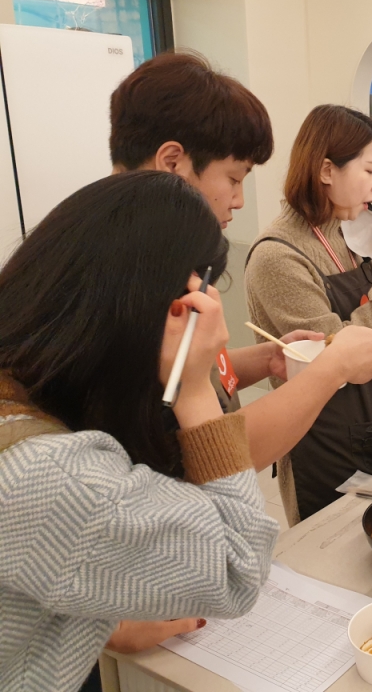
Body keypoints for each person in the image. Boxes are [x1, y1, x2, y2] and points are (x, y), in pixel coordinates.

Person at [0, 172, 278, 692]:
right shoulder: (57, 475)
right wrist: (194, 389)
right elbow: (238, 568)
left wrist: (99, 619)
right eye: (234, 175)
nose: (238, 199)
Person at [109, 50, 372, 472]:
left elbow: (192, 381)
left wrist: (263, 361)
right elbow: (204, 456)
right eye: (234, 179)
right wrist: (330, 368)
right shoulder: (121, 279)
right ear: (173, 163)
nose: (239, 200)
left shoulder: (156, 254)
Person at [246, 105, 372, 523]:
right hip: (322, 439)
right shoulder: (277, 256)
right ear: (327, 170)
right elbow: (337, 358)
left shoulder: (345, 236)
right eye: (369, 171)